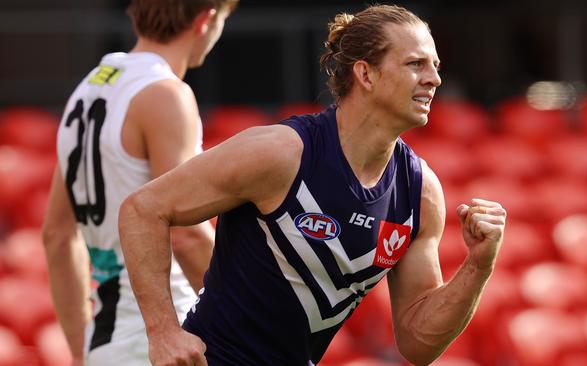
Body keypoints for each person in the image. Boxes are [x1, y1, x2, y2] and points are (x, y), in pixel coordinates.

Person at [118, 4, 507, 366]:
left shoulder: (420, 193)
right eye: (415, 64)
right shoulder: (279, 152)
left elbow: (417, 343)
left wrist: (477, 266)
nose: (435, 78)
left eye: (435, 66)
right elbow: (143, 208)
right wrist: (163, 331)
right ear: (366, 74)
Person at [41, 0, 238, 364]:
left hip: (106, 344)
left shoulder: (85, 90)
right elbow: (186, 234)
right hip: (168, 336)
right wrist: (251, 324)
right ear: (207, 19)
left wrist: (81, 353)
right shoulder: (166, 94)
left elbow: (56, 236)